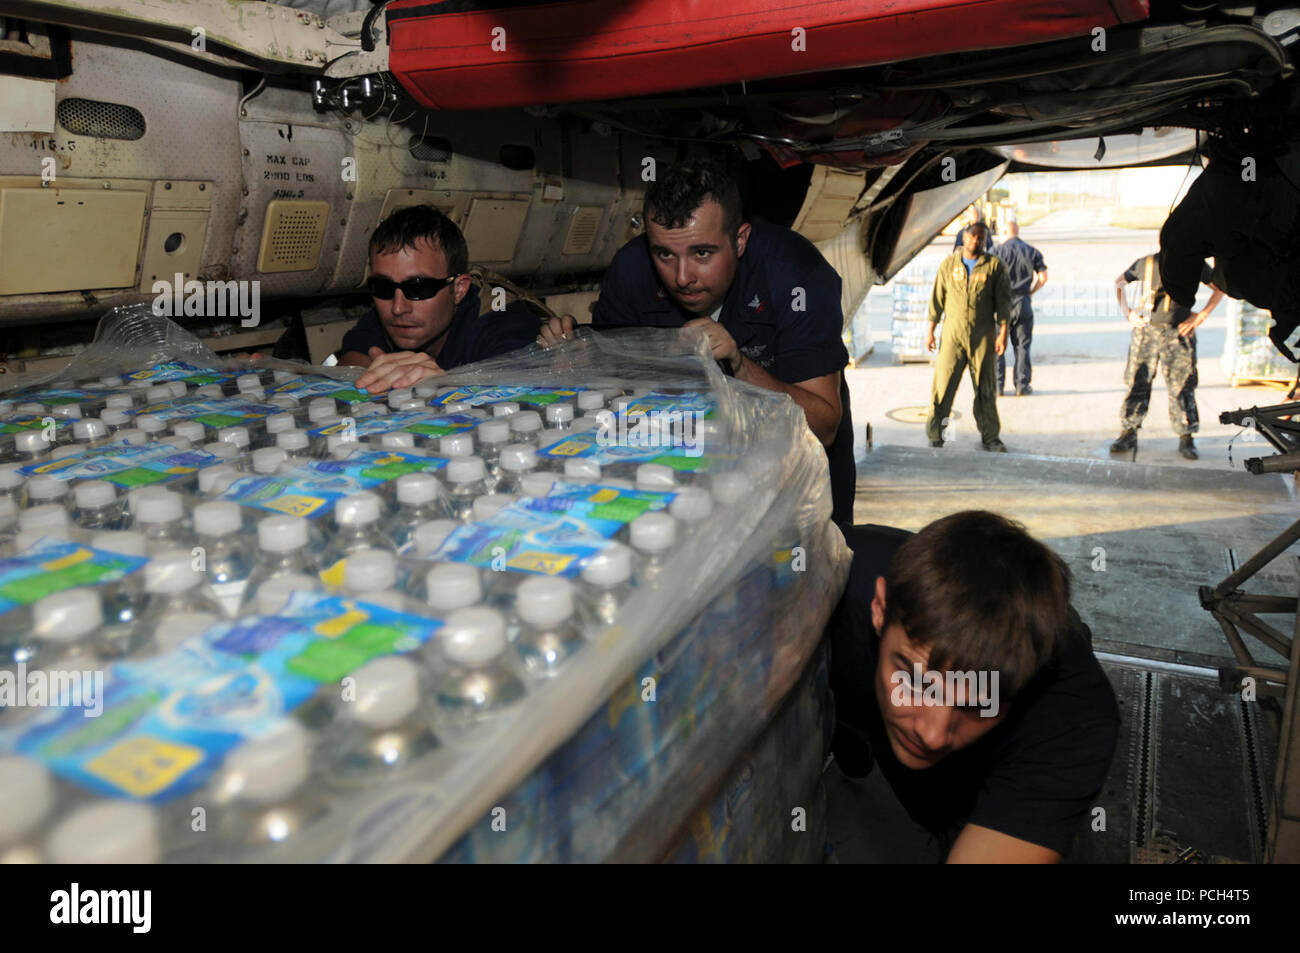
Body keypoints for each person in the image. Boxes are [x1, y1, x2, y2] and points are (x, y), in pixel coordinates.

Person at [537, 161, 855, 525]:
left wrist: (737, 366)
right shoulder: (631, 271)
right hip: (683, 481)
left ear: (740, 240)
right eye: (665, 255)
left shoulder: (795, 275)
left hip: (794, 485)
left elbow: (824, 427)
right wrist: (574, 361)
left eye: (702, 253)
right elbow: (615, 391)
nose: (683, 277)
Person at [827, 511, 1120, 863]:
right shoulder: (826, 577)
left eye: (981, 704)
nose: (934, 734)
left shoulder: (1070, 717)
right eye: (917, 683)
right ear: (880, 608)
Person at [338, 205, 542, 393]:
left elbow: (516, 387)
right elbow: (350, 363)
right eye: (383, 287)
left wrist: (448, 387)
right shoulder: (386, 312)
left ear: (459, 289)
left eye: (419, 288)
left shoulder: (502, 321)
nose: (398, 308)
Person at [1109, 252, 1224, 460]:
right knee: (1137, 382)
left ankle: (1186, 436)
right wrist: (1129, 313)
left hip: (1178, 332)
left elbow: (1220, 288)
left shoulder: (1194, 262)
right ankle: (1129, 431)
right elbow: (1120, 282)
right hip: (1146, 331)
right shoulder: (1147, 263)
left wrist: (1201, 316)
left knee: (1183, 385)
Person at [925, 222, 1012, 451]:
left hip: (983, 335)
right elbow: (937, 300)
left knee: (986, 388)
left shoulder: (994, 266)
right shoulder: (948, 265)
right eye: (973, 236)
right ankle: (937, 434)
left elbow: (1004, 304)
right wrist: (930, 331)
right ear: (964, 237)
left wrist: (1003, 334)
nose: (976, 241)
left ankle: (990, 436)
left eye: (981, 238)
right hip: (952, 335)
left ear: (986, 241)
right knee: (943, 386)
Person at [992, 220, 1047, 396]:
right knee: (1022, 345)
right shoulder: (1032, 251)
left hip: (1001, 304)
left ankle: (998, 386)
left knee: (998, 344)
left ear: (1004, 232)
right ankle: (1022, 385)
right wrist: (1031, 292)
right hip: (1023, 301)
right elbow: (1043, 277)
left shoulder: (996, 251)